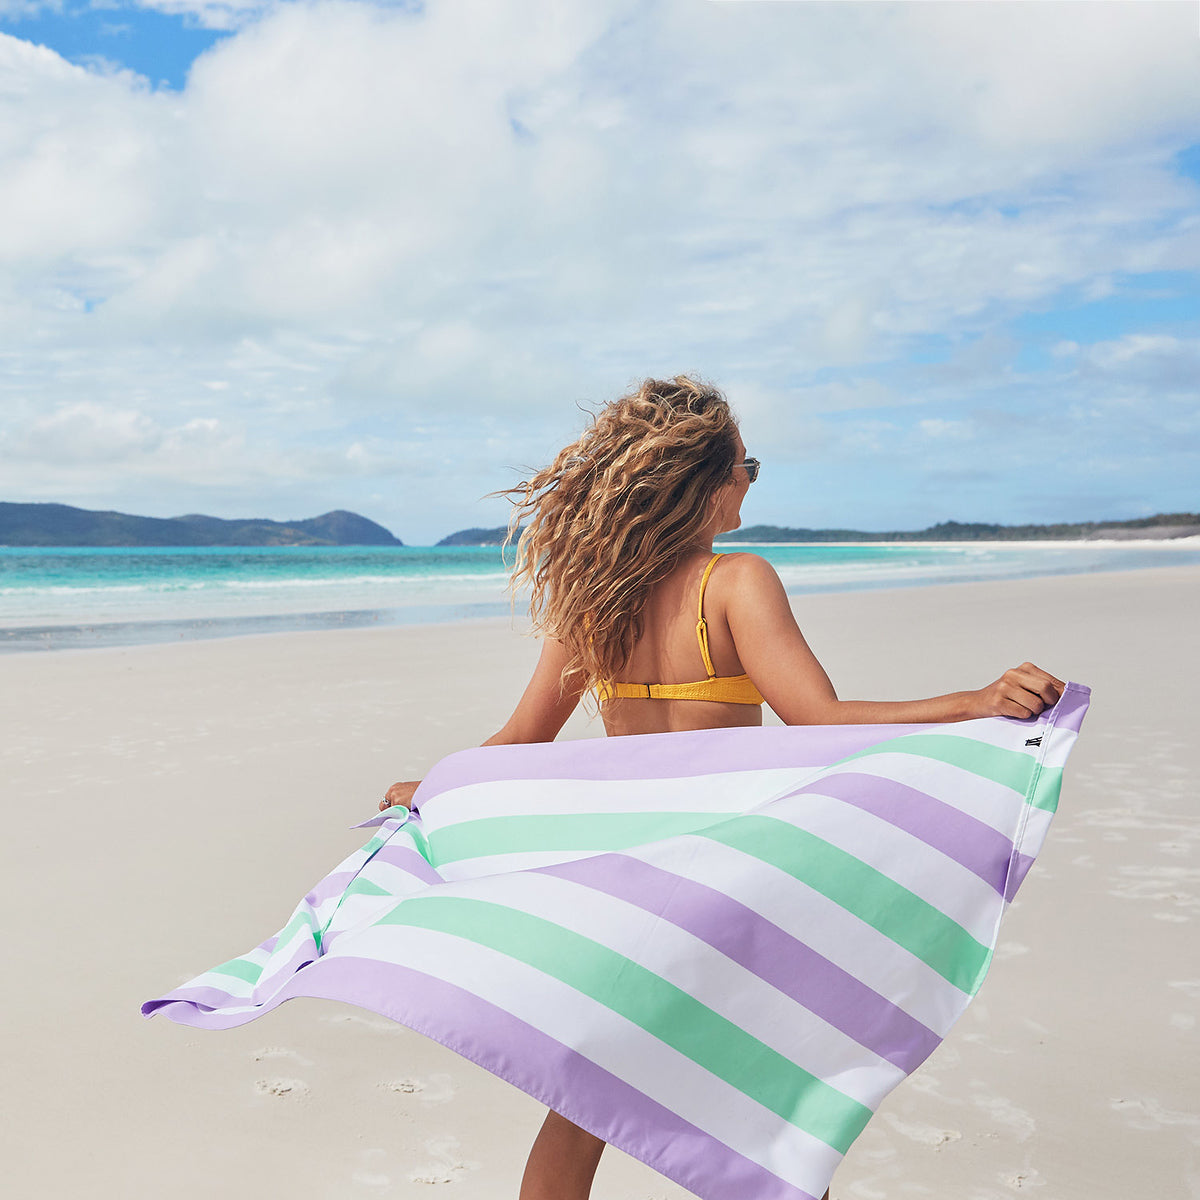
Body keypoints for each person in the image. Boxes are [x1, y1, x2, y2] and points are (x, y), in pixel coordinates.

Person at [379, 375, 1064, 1200]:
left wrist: (439, 789)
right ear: (707, 484)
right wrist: (972, 702)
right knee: (767, 1088)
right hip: (726, 879)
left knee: (587, 1098)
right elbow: (821, 720)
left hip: (623, 882)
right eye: (747, 466)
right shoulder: (737, 581)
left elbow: (520, 740)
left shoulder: (593, 599)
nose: (751, 480)